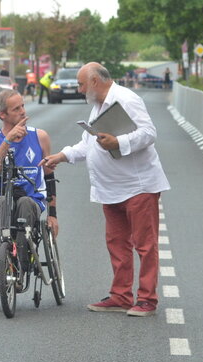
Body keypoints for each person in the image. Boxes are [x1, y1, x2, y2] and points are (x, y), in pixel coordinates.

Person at [41, 62, 169, 317]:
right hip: (111, 188)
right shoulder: (97, 106)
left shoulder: (125, 99)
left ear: (95, 81)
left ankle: (147, 299)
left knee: (145, 245)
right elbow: (88, 143)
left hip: (137, 186)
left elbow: (148, 133)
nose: (78, 89)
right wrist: (62, 156)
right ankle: (121, 295)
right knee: (117, 243)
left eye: (80, 84)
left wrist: (119, 141)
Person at [0, 89, 58, 290]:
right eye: (16, 109)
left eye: (23, 106)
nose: (23, 111)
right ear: (2, 115)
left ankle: (20, 268)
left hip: (30, 198)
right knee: (5, 203)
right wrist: (7, 142)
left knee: (23, 204)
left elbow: (49, 176)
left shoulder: (40, 137)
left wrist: (53, 214)